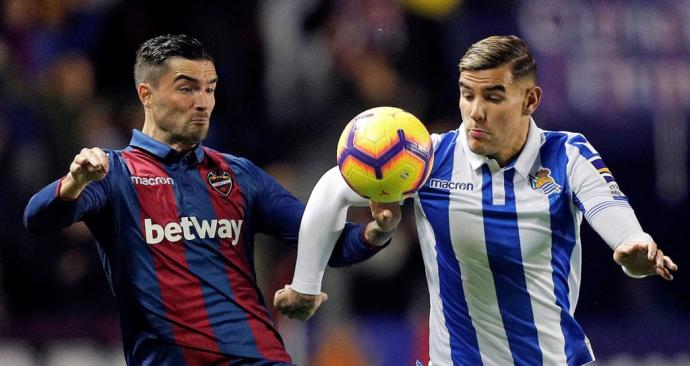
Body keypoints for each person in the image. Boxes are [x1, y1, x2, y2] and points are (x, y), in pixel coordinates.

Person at [274, 35, 678, 365]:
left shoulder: (566, 155)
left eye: (494, 97)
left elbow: (609, 208)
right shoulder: (428, 159)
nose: (476, 112)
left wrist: (631, 244)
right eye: (467, 95)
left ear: (530, 100)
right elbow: (333, 188)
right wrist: (306, 284)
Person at [23, 34, 401, 366]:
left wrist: (377, 230)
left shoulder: (239, 175)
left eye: (210, 88)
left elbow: (323, 243)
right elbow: (38, 219)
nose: (203, 101)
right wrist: (74, 181)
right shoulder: (114, 173)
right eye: (187, 88)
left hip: (259, 358)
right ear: (147, 95)